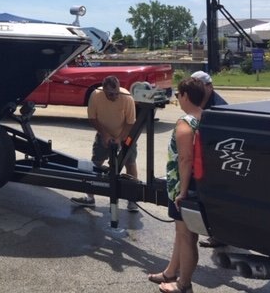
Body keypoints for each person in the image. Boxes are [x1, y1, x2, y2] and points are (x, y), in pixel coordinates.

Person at [148, 77, 205, 293]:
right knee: (182, 233)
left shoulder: (185, 122)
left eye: (179, 95)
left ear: (185, 96)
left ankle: (183, 285)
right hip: (198, 185)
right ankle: (170, 272)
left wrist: (182, 192)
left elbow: (185, 159)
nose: (178, 99)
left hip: (184, 187)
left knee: (187, 236)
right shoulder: (205, 117)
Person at [70, 75, 139, 212]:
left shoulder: (126, 97)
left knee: (130, 163)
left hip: (125, 134)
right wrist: (104, 134)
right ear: (104, 90)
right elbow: (92, 118)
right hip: (104, 133)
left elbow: (130, 122)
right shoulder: (96, 95)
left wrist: (120, 138)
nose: (114, 96)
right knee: (96, 163)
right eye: (110, 94)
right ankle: (90, 197)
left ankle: (132, 199)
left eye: (116, 93)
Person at [190, 70, 227, 248]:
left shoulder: (219, 108)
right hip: (202, 159)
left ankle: (220, 235)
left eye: (198, 86)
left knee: (217, 199)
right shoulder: (198, 101)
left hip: (216, 161)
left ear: (209, 87)